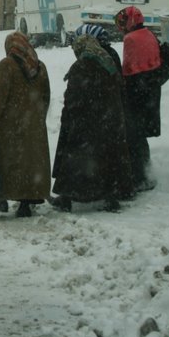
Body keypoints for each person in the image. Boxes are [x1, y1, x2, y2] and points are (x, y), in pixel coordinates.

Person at [50, 33, 134, 213]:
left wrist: (68, 118)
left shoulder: (81, 66)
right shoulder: (107, 62)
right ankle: (110, 197)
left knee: (74, 161)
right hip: (108, 122)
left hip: (84, 123)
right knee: (107, 160)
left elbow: (74, 97)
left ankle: (66, 198)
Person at [0, 31, 52, 218]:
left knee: (5, 163)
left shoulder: (7, 65)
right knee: (30, 164)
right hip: (33, 125)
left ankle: (1, 198)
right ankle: (26, 203)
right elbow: (45, 96)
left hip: (9, 126)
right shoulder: (39, 66)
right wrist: (38, 119)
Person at [115, 5, 162, 192]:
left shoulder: (131, 39)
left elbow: (128, 69)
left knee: (133, 137)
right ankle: (145, 173)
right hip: (150, 92)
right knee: (141, 137)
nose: (122, 26)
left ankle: (137, 177)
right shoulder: (149, 34)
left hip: (136, 93)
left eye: (123, 21)